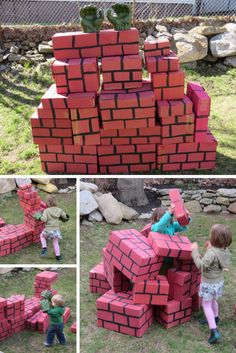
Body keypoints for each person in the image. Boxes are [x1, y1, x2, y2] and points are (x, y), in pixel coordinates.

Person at [191, 224, 232, 344]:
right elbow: (215, 257)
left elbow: (201, 265)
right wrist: (210, 248)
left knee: (206, 304)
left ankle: (214, 331)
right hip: (218, 282)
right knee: (214, 300)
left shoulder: (211, 254)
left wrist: (194, 251)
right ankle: (216, 317)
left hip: (209, 283)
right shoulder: (224, 250)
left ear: (214, 238)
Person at [151, 204, 191, 273]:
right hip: (160, 257)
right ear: (157, 219)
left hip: (171, 255)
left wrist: (186, 217)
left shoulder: (172, 226)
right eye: (164, 218)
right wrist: (169, 213)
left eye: (170, 217)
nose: (168, 220)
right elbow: (160, 225)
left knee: (171, 270)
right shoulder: (155, 227)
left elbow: (182, 225)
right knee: (161, 271)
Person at [34, 196, 69, 262]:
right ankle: (58, 257)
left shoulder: (46, 211)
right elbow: (65, 216)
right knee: (55, 243)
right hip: (56, 231)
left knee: (42, 236)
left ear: (47, 203)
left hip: (48, 230)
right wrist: (66, 217)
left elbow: (44, 219)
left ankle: (44, 247)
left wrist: (38, 216)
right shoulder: (59, 210)